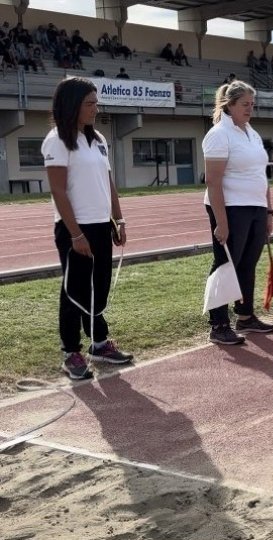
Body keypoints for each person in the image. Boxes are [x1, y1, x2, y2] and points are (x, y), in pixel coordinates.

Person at [42, 77, 134, 380]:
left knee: (99, 286)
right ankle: (71, 352)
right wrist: (75, 234)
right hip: (75, 227)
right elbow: (58, 190)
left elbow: (109, 184)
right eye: (90, 103)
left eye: (97, 102)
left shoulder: (98, 140)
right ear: (72, 106)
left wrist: (118, 219)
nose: (96, 108)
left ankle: (99, 343)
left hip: (100, 224)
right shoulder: (57, 140)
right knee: (74, 291)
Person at [202, 79, 273, 345]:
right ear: (229, 105)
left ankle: (245, 316)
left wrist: (268, 211)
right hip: (231, 207)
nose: (250, 109)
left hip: (255, 207)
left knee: (247, 263)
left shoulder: (251, 133)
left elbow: (261, 174)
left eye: (252, 105)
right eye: (245, 104)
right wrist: (221, 222)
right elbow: (213, 182)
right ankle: (218, 324)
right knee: (225, 264)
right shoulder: (219, 134)